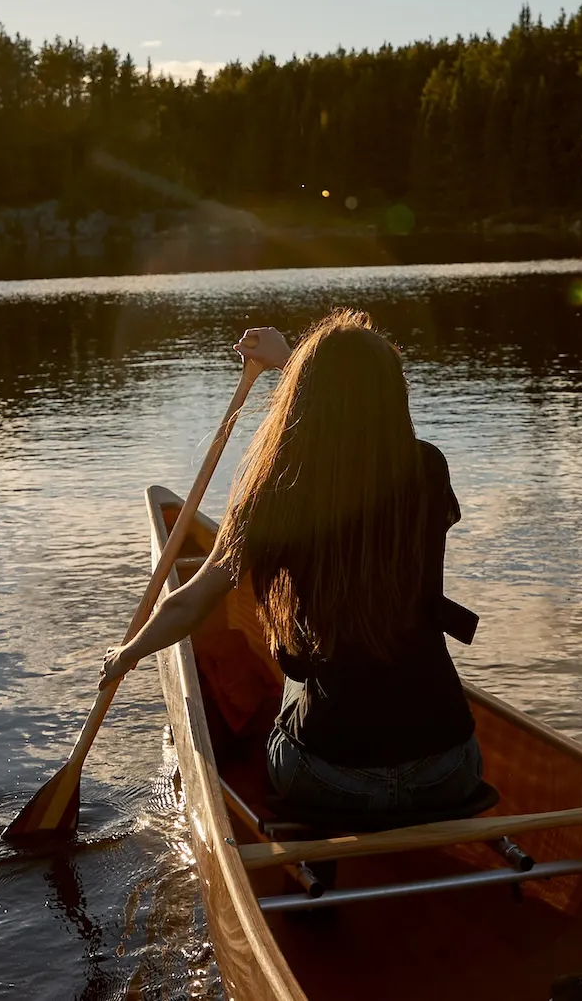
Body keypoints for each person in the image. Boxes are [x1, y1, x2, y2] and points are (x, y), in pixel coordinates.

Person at [98, 310, 479, 827]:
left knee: (291, 674)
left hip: (331, 778)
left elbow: (189, 602)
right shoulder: (429, 467)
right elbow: (354, 406)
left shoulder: (275, 489)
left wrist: (127, 653)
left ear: (304, 392)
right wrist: (293, 360)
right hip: (449, 766)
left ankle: (315, 849)